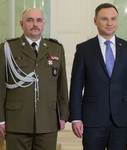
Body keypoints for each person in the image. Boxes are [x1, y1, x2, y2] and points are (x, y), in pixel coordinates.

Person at [69, 3, 127, 150]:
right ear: (95, 21)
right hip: (92, 120)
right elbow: (76, 87)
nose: (109, 23)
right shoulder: (83, 49)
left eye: (113, 19)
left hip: (121, 120)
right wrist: (76, 118)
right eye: (104, 19)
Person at [0, 8, 69, 150]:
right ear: (22, 24)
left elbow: (62, 85)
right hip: (17, 120)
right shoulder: (7, 48)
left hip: (47, 121)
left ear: (43, 24)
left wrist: (63, 115)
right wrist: (1, 119)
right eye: (30, 20)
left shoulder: (56, 48)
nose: (35, 24)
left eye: (38, 20)